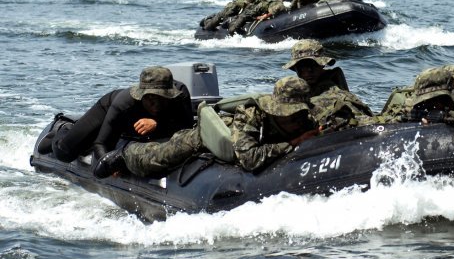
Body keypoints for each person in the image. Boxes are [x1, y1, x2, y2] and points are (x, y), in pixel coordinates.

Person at [94, 76, 319, 178]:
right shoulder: (250, 116)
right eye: (288, 114)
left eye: (298, 114)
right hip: (205, 138)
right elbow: (249, 158)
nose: (295, 120)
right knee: (157, 158)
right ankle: (124, 154)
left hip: (242, 144)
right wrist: (292, 144)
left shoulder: (308, 118)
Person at [38, 66, 193, 164]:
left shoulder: (180, 95)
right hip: (108, 109)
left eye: (162, 98)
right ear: (141, 96)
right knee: (64, 153)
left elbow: (186, 128)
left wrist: (157, 123)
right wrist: (108, 163)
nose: (156, 105)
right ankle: (63, 128)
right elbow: (101, 144)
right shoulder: (124, 103)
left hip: (146, 126)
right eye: (151, 98)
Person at [282, 39, 373, 130]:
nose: (308, 71)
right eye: (302, 66)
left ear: (322, 64)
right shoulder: (299, 93)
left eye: (313, 65)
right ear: (295, 68)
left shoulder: (332, 92)